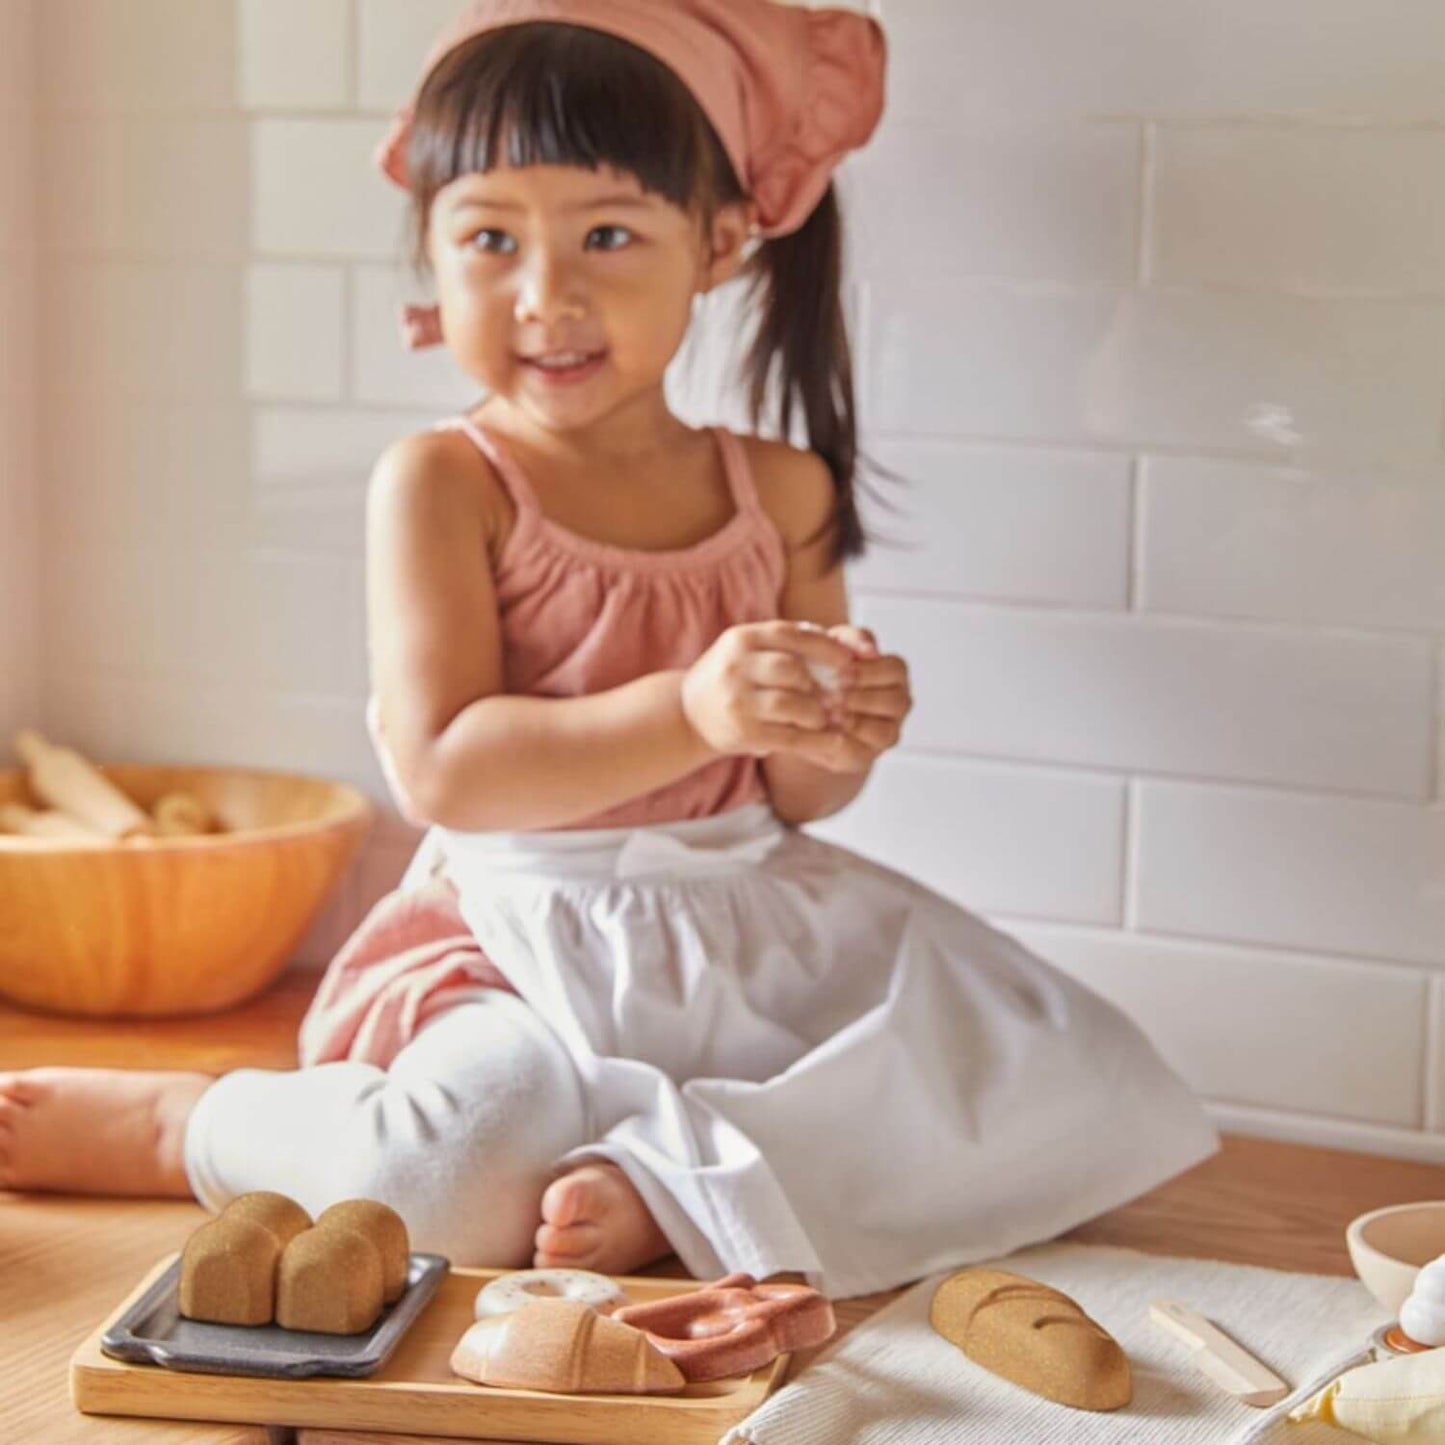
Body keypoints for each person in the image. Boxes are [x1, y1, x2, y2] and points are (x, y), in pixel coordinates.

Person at [0, 0, 1217, 1299]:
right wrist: (693, 706)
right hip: (521, 930)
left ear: (721, 242)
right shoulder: (443, 482)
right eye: (488, 238)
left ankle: (667, 1188)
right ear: (431, 249)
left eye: (608, 234)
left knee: (1070, 1071)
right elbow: (449, 771)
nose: (545, 295)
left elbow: (791, 794)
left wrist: (829, 732)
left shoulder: (780, 489)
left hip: (746, 913)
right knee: (460, 1164)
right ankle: (182, 1127)